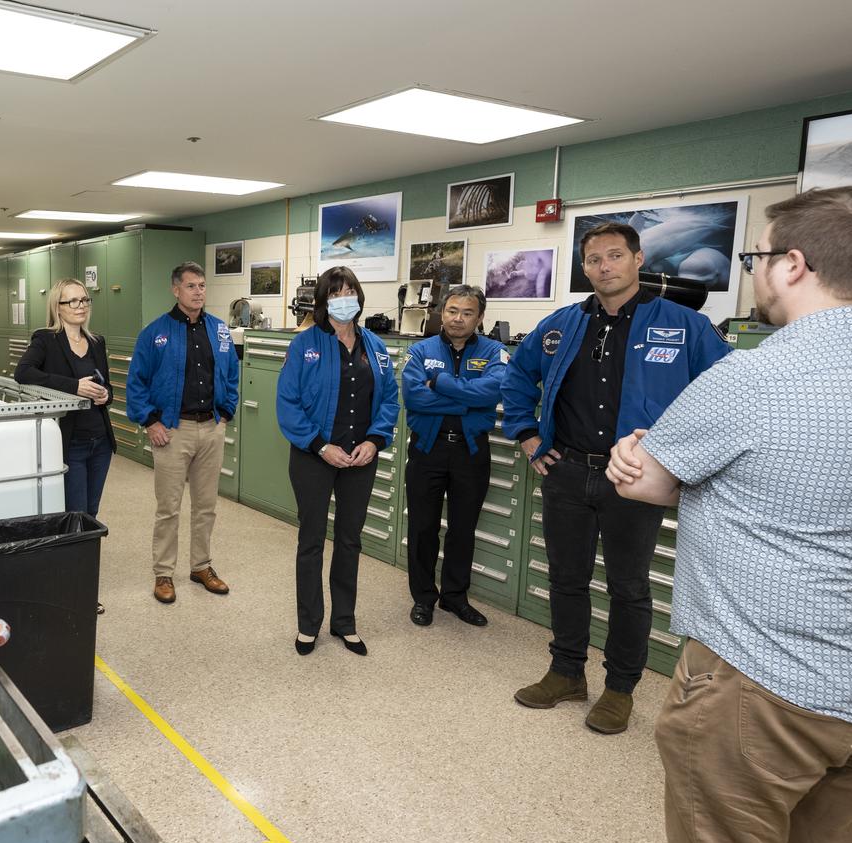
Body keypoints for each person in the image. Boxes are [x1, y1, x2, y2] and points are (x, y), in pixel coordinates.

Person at [606, 186, 852, 843]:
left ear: (793, 265)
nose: (754, 271)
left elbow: (648, 480)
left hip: (762, 687)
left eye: (758, 256)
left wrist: (637, 454)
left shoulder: (753, 377)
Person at [500, 221, 730, 733]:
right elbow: (517, 375)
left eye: (615, 256)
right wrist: (527, 434)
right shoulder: (562, 324)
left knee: (628, 587)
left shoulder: (683, 325)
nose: (605, 267)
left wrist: (682, 459)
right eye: (594, 259)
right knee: (566, 579)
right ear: (584, 268)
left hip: (635, 479)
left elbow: (726, 391)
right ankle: (566, 672)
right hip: (567, 472)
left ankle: (620, 688)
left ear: (638, 259)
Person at [277, 266, 400, 656]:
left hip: (360, 458)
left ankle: (344, 622)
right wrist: (319, 445)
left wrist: (375, 441)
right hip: (314, 456)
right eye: (335, 293)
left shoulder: (374, 346)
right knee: (311, 540)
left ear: (359, 297)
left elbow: (389, 399)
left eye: (349, 291)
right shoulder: (305, 344)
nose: (344, 299)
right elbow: (288, 403)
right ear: (323, 301)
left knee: (349, 540)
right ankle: (308, 624)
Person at [126, 262, 240, 605]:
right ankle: (163, 572)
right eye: (191, 286)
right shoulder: (155, 333)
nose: (198, 292)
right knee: (169, 508)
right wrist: (151, 422)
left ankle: (201, 566)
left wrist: (226, 413)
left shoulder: (219, 330)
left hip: (211, 428)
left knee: (206, 506)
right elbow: (136, 383)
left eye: (202, 285)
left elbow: (232, 374)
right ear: (176, 290)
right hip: (174, 431)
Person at [401, 285, 509, 628]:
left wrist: (441, 384)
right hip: (427, 449)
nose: (458, 318)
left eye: (467, 312)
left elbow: (493, 391)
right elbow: (414, 398)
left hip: (470, 451)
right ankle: (423, 598)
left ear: (480, 317)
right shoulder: (420, 351)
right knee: (423, 527)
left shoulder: (495, 351)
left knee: (463, 529)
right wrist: (468, 401)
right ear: (442, 313)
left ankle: (455, 597)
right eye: (452, 311)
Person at [15, 277, 112, 616]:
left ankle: (80, 584)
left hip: (100, 441)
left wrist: (105, 394)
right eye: (72, 301)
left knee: (90, 515)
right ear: (57, 307)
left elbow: (106, 386)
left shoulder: (96, 342)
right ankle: (75, 590)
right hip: (71, 443)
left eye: (84, 300)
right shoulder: (46, 340)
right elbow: (24, 373)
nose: (80, 306)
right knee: (74, 515)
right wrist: (74, 387)